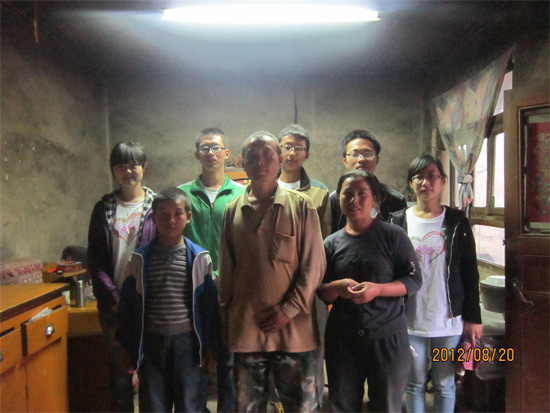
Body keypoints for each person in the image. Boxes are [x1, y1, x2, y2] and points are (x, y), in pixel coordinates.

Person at [218, 131, 326, 412]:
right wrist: (225, 321)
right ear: (242, 163)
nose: (260, 162)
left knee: (301, 407)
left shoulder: (301, 206)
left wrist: (288, 310)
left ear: (279, 160)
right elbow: (226, 272)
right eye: (252, 156)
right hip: (247, 331)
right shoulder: (233, 211)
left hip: (295, 333)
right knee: (248, 407)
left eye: (267, 154)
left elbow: (314, 266)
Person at [318, 170, 422, 412]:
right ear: (338, 198)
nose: (354, 200)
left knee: (386, 405)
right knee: (343, 405)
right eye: (347, 194)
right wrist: (337, 287)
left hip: (387, 338)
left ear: (374, 198)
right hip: (343, 340)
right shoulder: (331, 243)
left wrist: (378, 290)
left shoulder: (393, 236)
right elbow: (320, 291)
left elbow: (414, 279)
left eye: (362, 193)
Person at [390, 154, 483, 413]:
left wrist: (473, 318)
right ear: (411, 182)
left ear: (442, 181)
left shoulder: (457, 221)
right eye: (419, 177)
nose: (426, 182)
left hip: (448, 319)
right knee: (414, 383)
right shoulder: (397, 221)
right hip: (410, 319)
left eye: (432, 176)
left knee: (444, 383)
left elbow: (470, 272)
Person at [117, 187, 220, 412]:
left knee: (190, 404)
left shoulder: (200, 259)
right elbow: (128, 307)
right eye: (163, 214)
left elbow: (210, 308)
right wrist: (126, 346)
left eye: (177, 213)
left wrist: (211, 346)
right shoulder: (139, 260)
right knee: (153, 405)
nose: (170, 220)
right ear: (153, 218)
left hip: (187, 346)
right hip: (151, 345)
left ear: (188, 217)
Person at [179, 127, 244, 411]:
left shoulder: (242, 194)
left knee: (229, 363)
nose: (210, 153)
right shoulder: (183, 195)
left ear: (227, 153)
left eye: (216, 147)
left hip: (231, 291)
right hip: (192, 292)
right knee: (196, 362)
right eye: (204, 148)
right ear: (197, 154)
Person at [87, 142, 155, 412]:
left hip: (148, 304)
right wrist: (114, 299)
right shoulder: (103, 208)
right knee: (120, 372)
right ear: (113, 170)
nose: (128, 172)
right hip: (113, 307)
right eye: (120, 166)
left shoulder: (157, 206)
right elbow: (96, 260)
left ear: (144, 167)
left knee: (151, 371)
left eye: (133, 165)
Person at [276, 123, 331, 409]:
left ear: (306, 154)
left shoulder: (320, 193)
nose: (292, 153)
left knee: (311, 352)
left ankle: (312, 404)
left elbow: (323, 243)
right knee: (274, 350)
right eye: (287, 146)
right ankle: (277, 404)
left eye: (298, 148)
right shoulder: (262, 188)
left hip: (309, 287)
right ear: (278, 151)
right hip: (273, 284)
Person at [330, 129, 407, 232]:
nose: (361, 159)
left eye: (367, 153)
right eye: (354, 154)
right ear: (345, 161)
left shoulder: (394, 199)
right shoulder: (334, 200)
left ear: (377, 160)